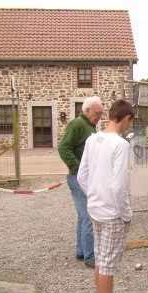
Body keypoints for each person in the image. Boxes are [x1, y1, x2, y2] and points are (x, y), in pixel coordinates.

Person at [77, 99, 137, 293]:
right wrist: (126, 213)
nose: (129, 127)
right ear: (126, 119)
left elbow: (83, 175)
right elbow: (118, 186)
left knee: (101, 259)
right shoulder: (120, 145)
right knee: (108, 263)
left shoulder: (93, 139)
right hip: (112, 213)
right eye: (130, 123)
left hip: (96, 209)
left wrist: (93, 195)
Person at [58, 96, 103, 269]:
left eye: (101, 113)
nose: (99, 116)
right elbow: (63, 147)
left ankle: (81, 251)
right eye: (98, 113)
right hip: (78, 178)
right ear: (87, 110)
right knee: (88, 216)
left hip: (83, 177)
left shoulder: (89, 126)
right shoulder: (77, 124)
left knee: (82, 216)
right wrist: (77, 169)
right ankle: (90, 256)